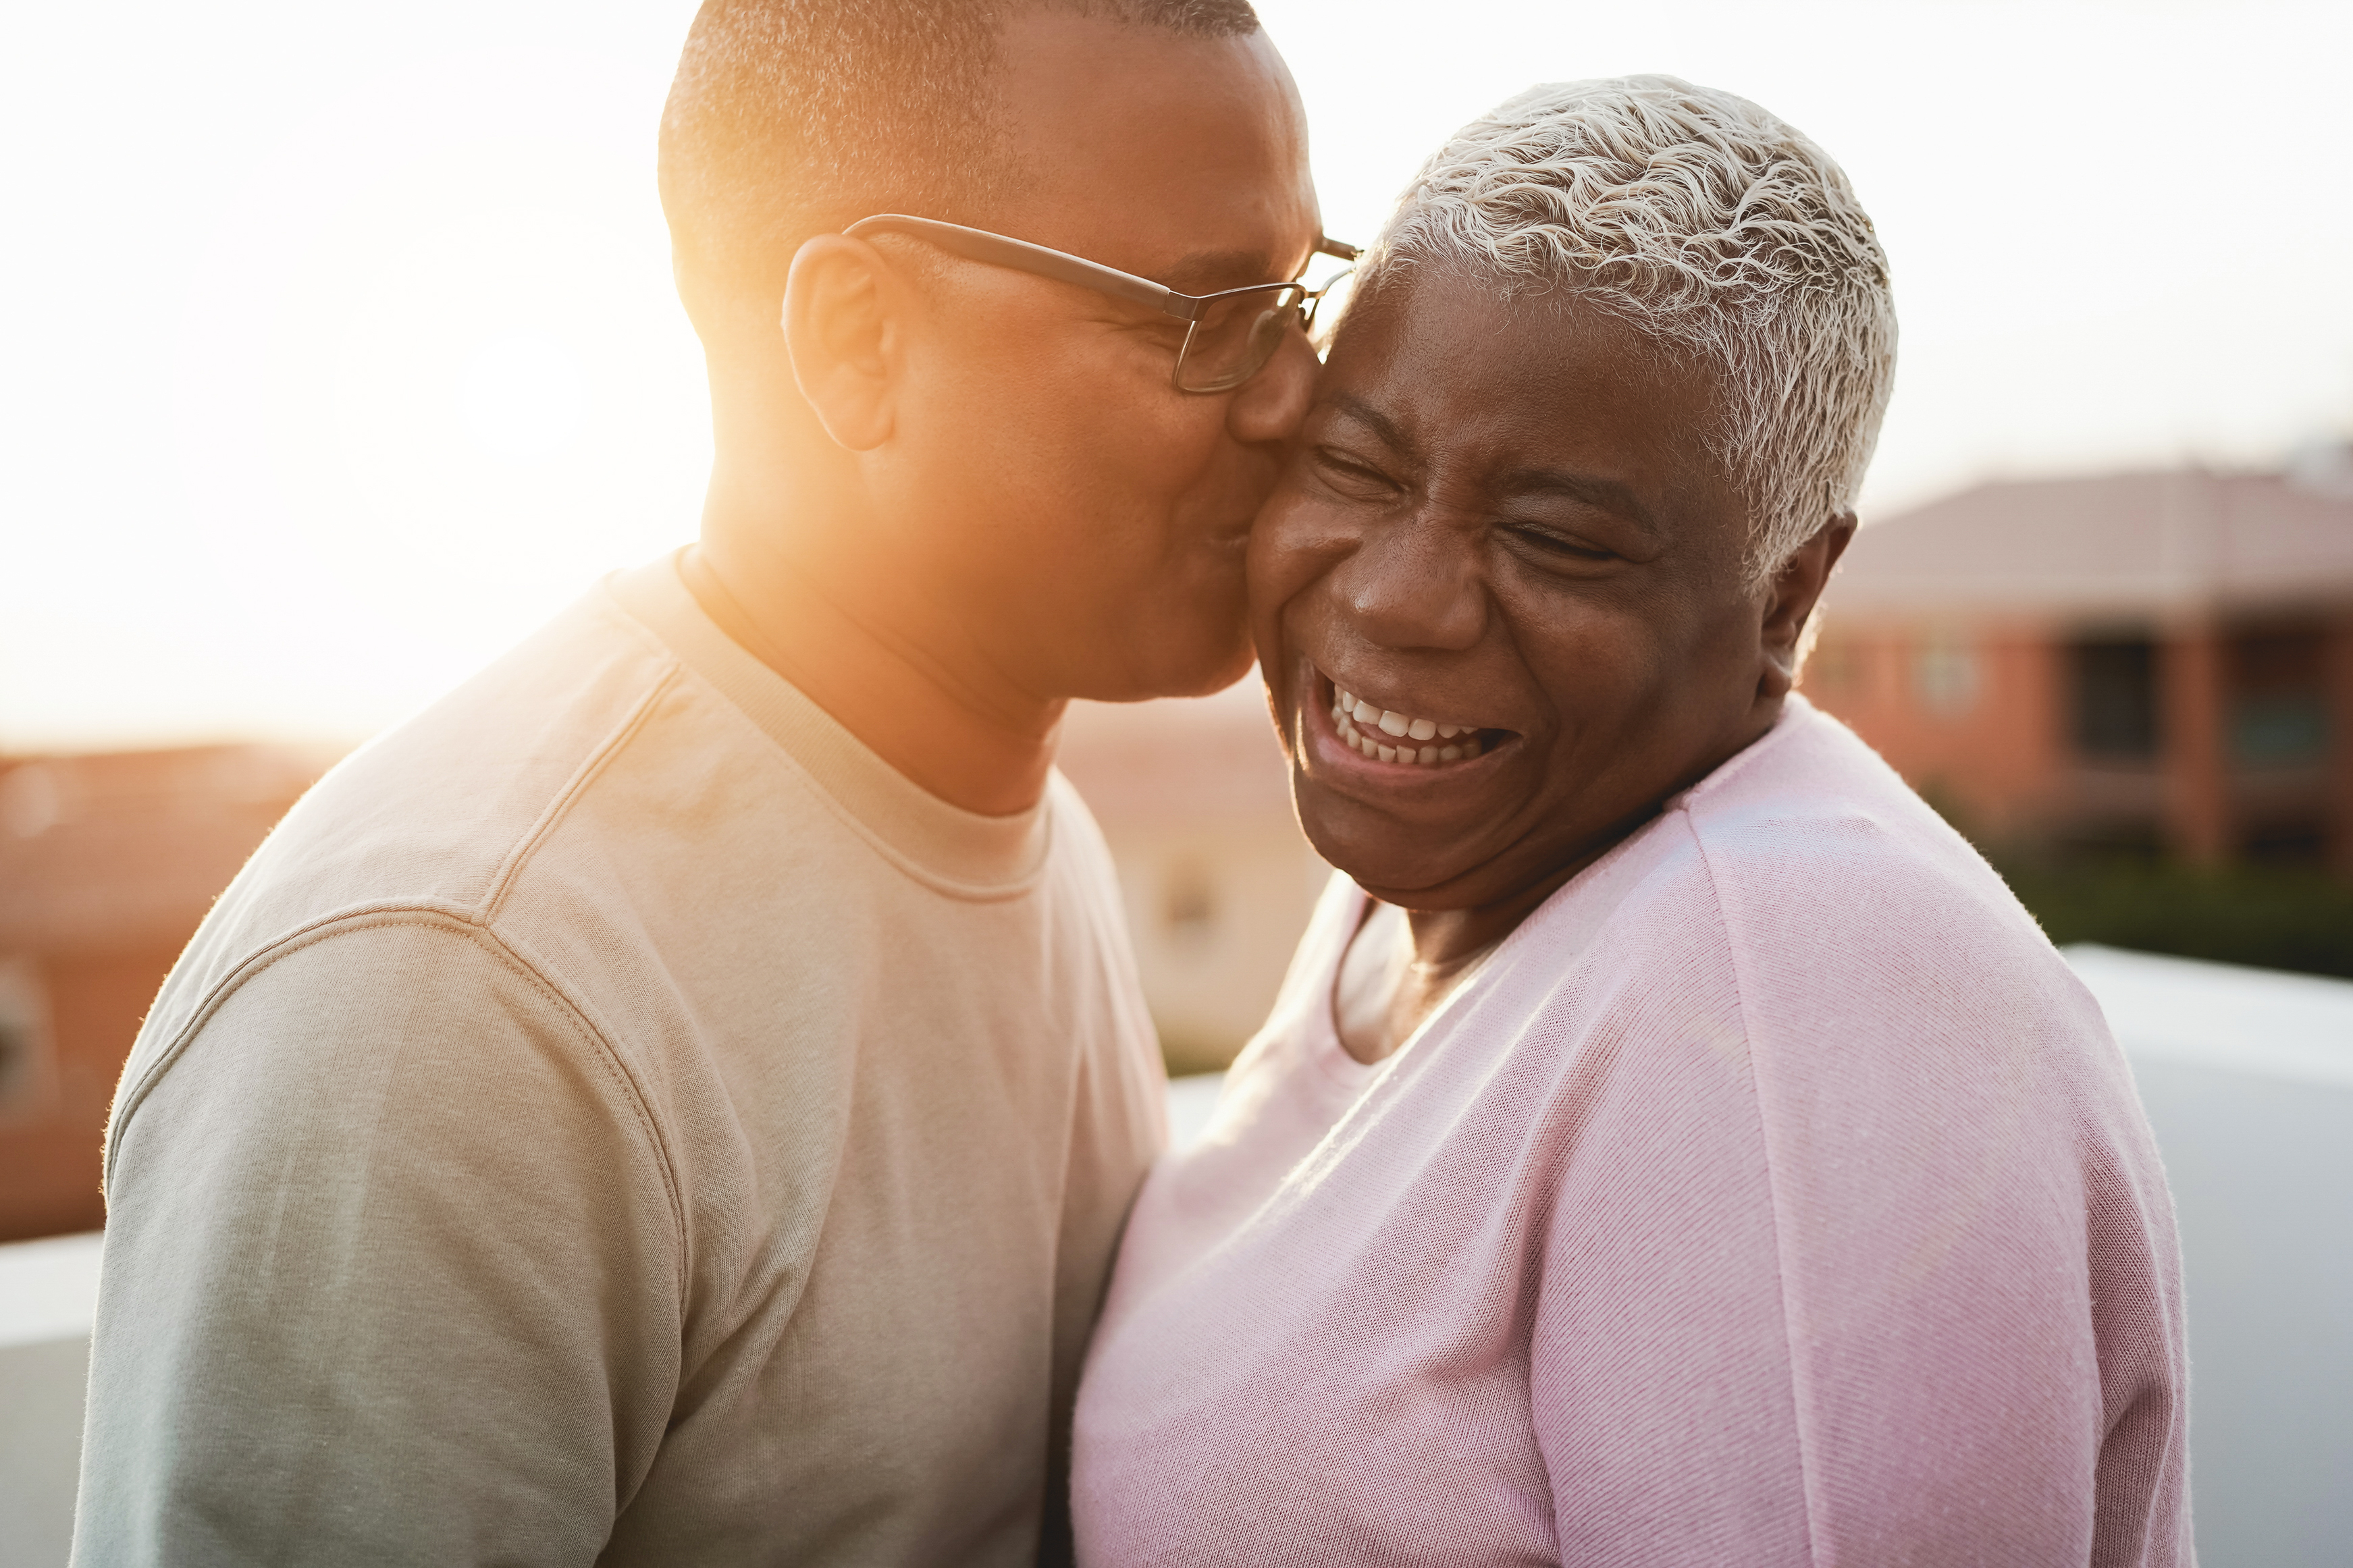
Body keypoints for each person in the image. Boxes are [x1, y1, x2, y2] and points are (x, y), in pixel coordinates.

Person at [74, 2, 1340, 1563]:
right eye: (1204, 317)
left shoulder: (1032, 829)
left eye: (1300, 298)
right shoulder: (458, 996)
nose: (1296, 398)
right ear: (858, 342)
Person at [1073, 77, 2191, 1566]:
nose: (1400, 595)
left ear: (1788, 594)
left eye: (1555, 538)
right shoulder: (1455, 870)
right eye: (1353, 463)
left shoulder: (1813, 991)